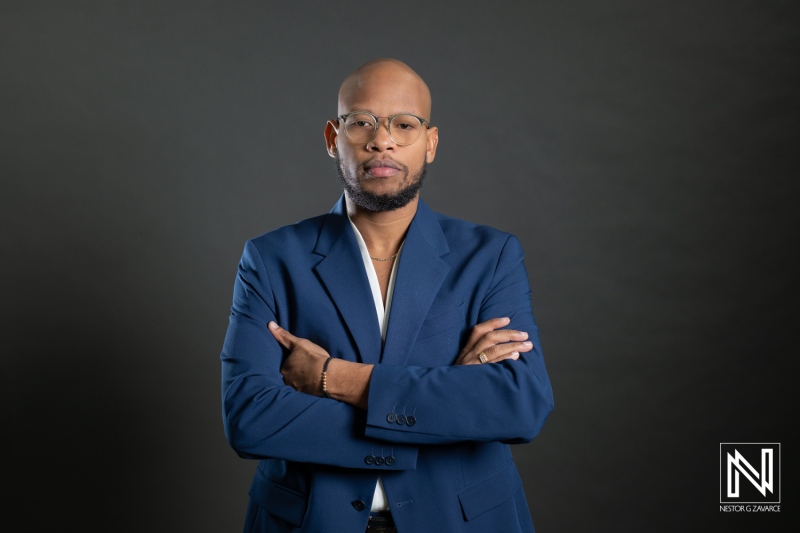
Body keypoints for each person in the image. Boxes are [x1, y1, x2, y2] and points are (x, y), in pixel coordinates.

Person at [220, 58, 554, 533]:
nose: (383, 139)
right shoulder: (271, 259)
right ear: (334, 139)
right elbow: (251, 419)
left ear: (430, 144)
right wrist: (445, 405)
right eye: (362, 123)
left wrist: (333, 378)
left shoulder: (491, 256)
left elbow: (520, 406)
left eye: (404, 124)